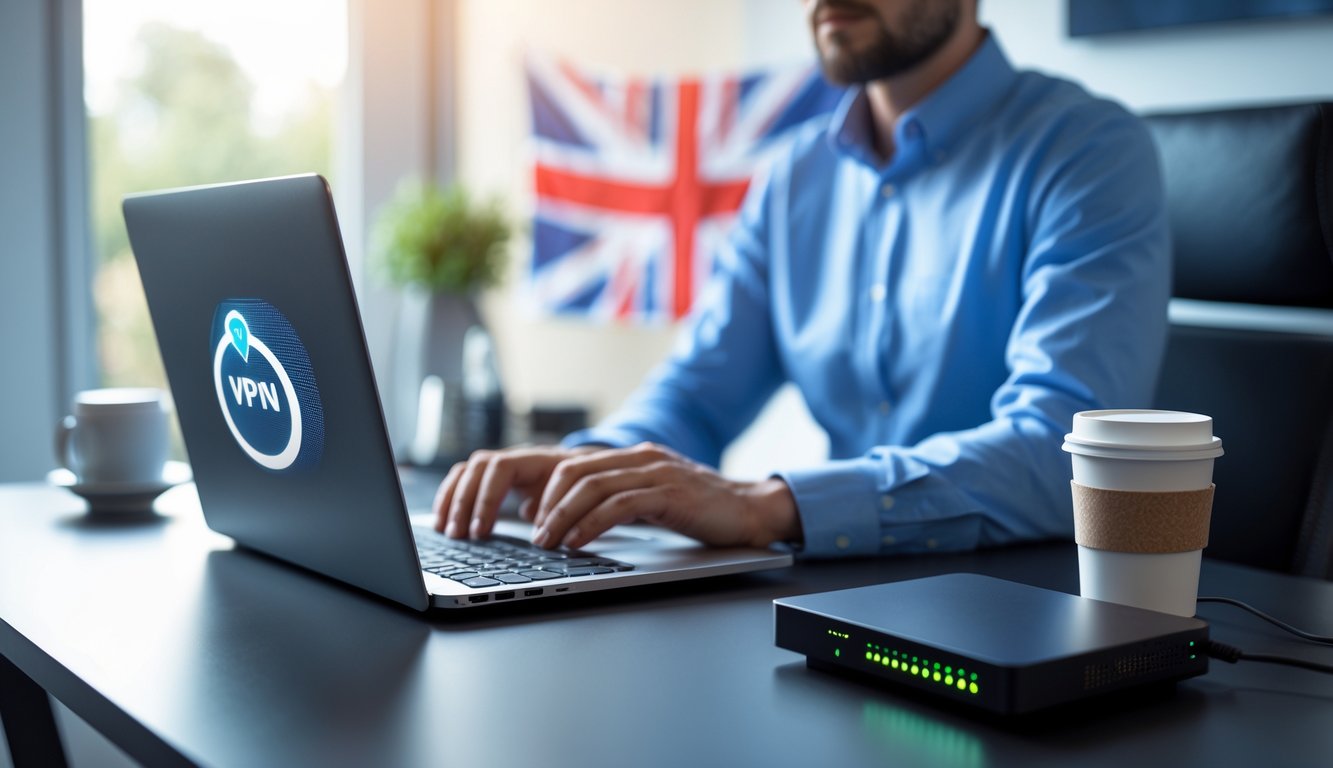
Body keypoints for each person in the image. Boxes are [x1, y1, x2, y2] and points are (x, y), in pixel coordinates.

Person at [432, 0, 1170, 558]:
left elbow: (1060, 453)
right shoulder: (793, 177)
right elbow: (697, 393)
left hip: (1018, 612)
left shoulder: (1087, 152)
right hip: (840, 602)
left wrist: (769, 506)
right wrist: (589, 470)